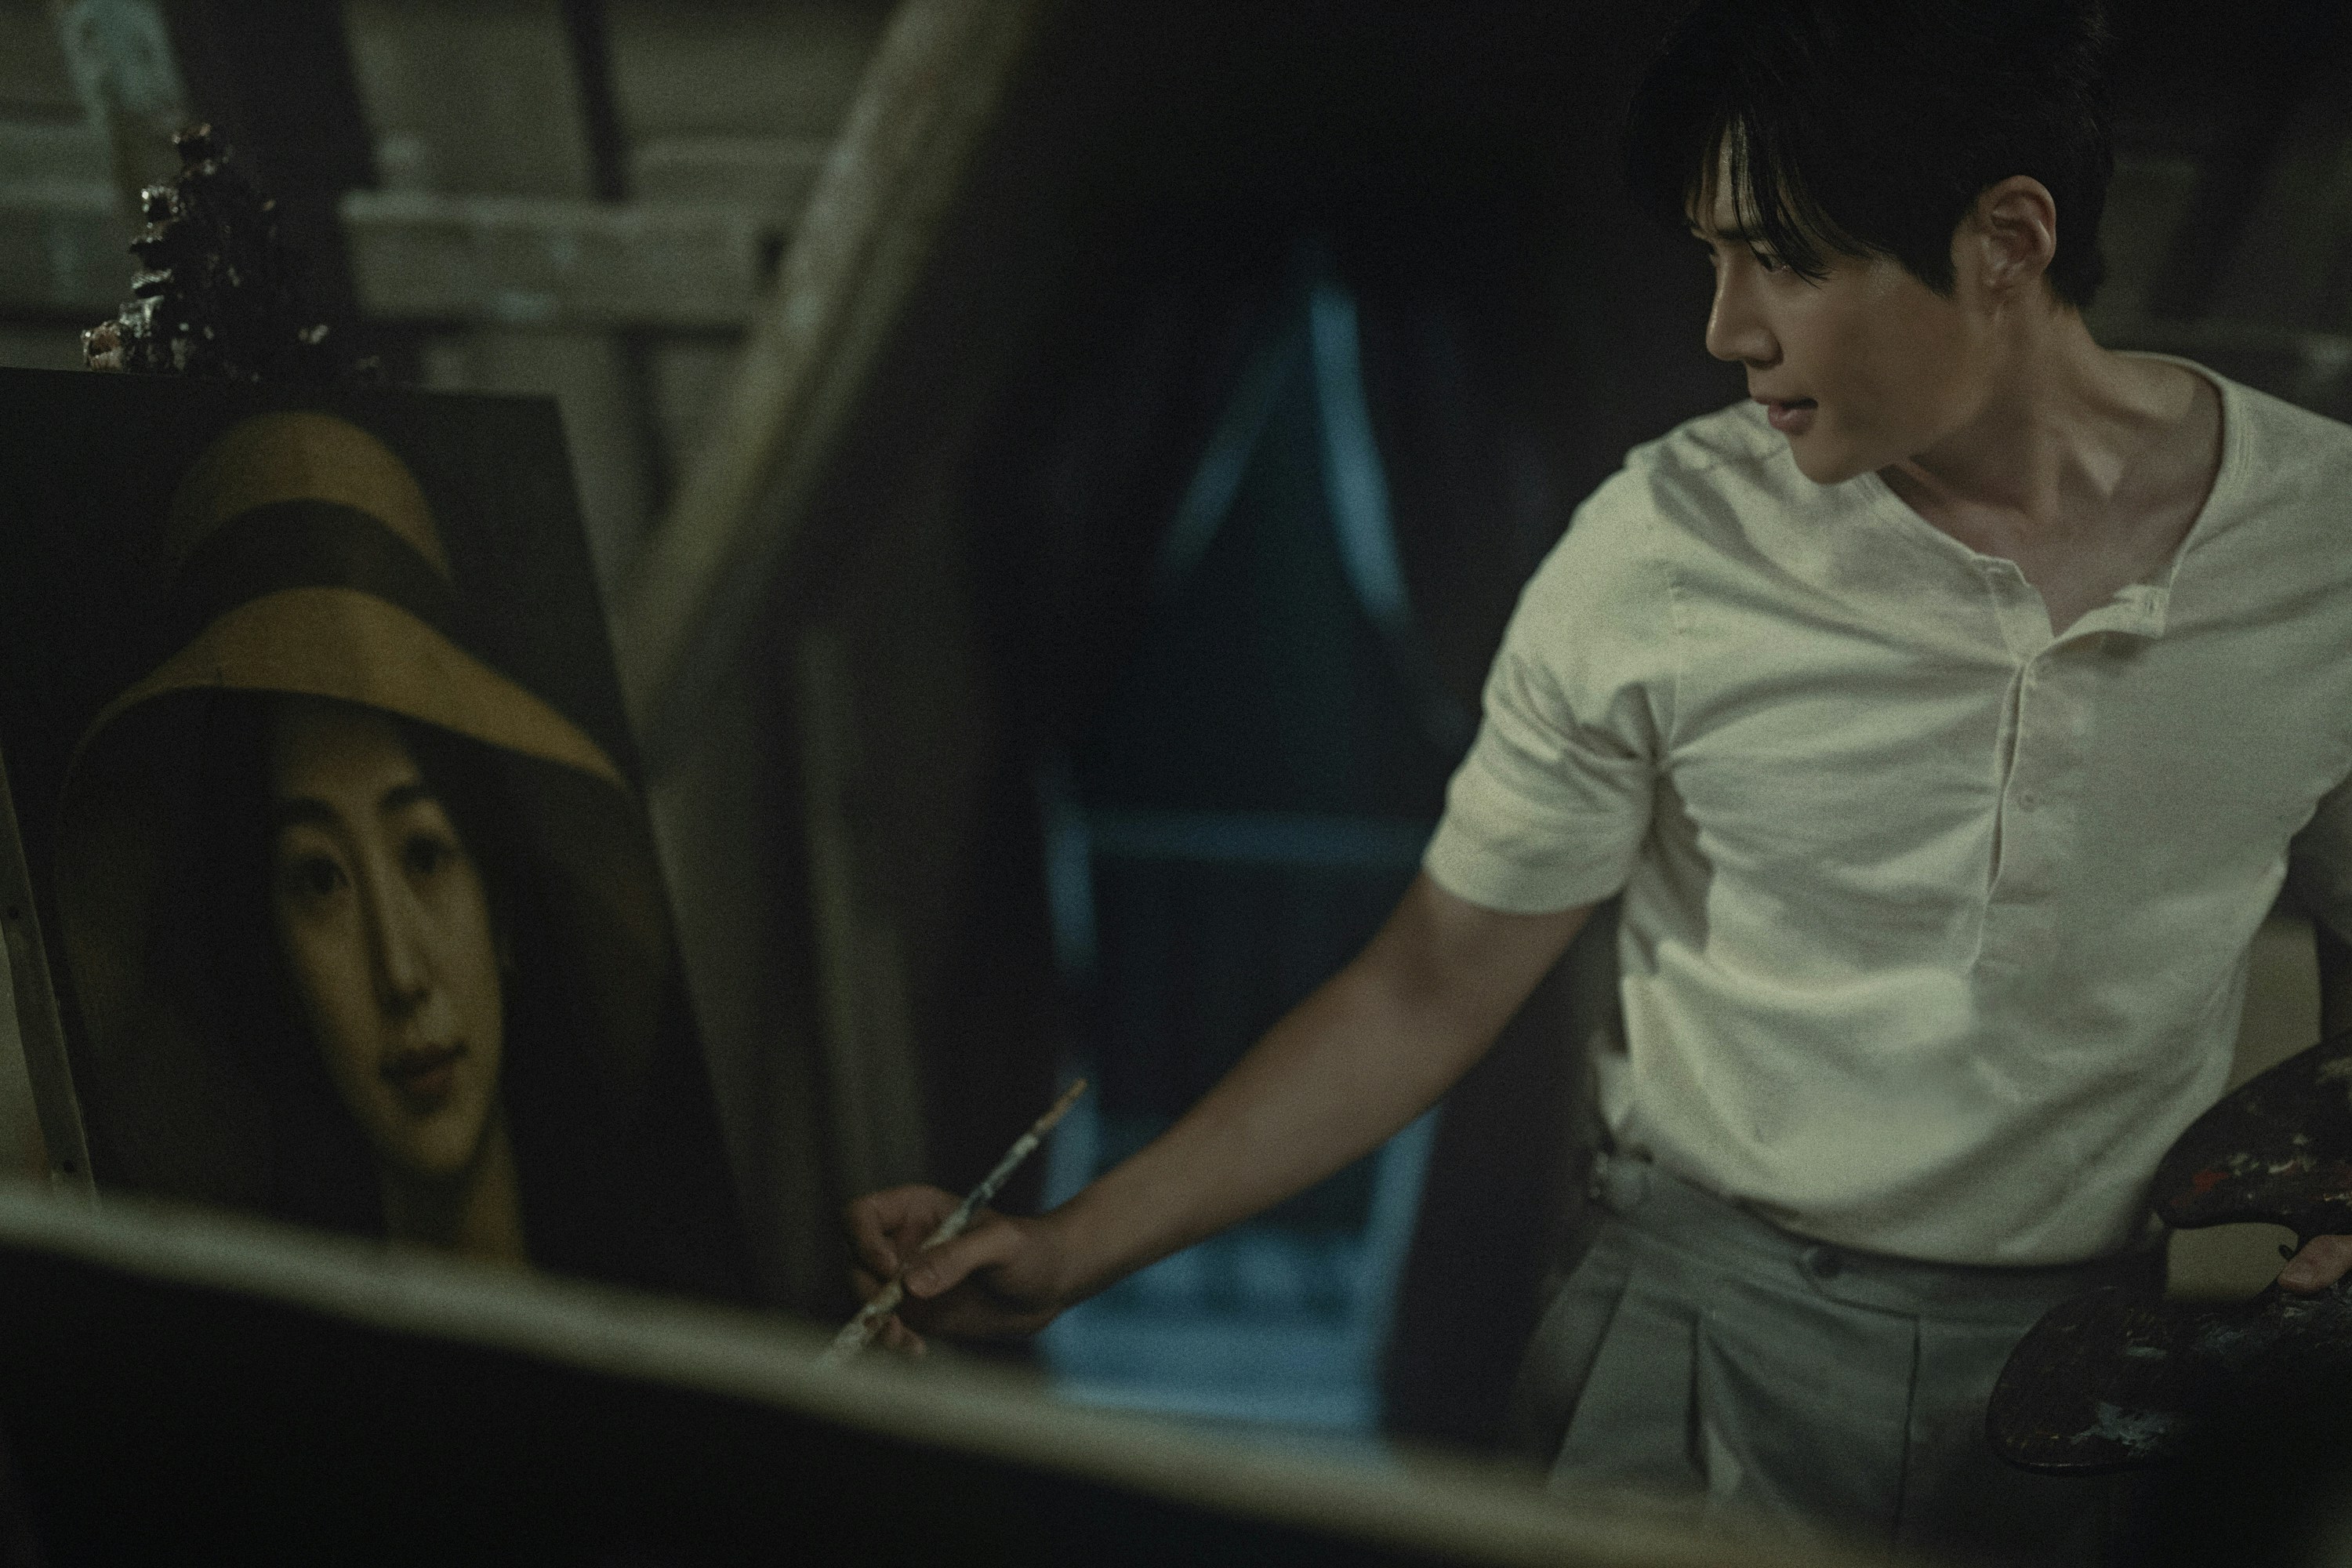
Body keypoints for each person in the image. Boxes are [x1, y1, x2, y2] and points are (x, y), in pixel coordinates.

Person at [848, 0, 2352, 1559]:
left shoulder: (2327, 544)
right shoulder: (1662, 548)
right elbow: (1429, 984)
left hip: (2107, 1377)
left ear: (2008, 242)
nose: (1728, 327)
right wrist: (1073, 1246)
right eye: (1712, 257)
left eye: (1783, 259)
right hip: (1697, 1344)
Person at [56, 409, 747, 1298]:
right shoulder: (265, 1368)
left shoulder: (671, 1309)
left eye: (424, 854)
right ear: (277, 960)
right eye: (320, 878)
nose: (400, 972)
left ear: (499, 905)